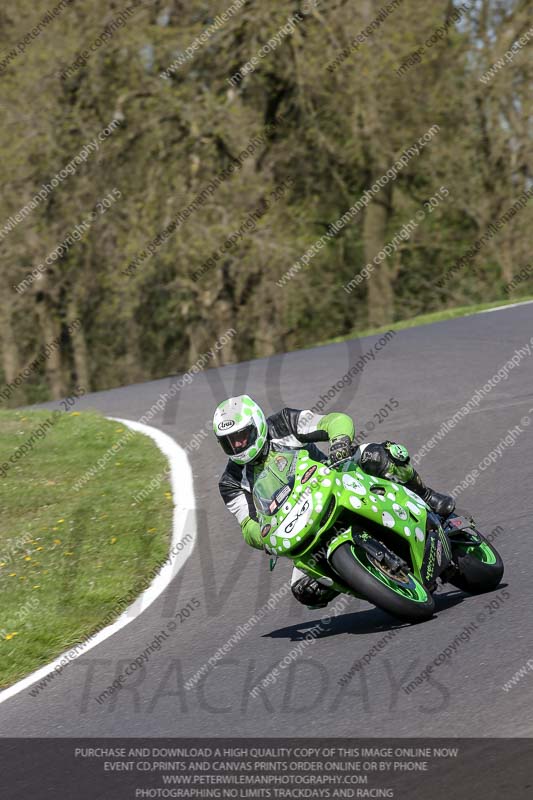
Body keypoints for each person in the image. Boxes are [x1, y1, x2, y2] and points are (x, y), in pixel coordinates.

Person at [214, 395, 455, 609]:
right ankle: (371, 580)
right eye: (229, 441)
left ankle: (425, 496)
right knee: (305, 591)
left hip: (338, 477)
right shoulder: (231, 482)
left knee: (380, 455)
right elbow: (247, 525)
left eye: (241, 436)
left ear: (256, 425)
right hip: (299, 523)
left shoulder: (283, 423)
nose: (237, 445)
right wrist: (264, 537)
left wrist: (339, 442)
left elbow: (334, 420)